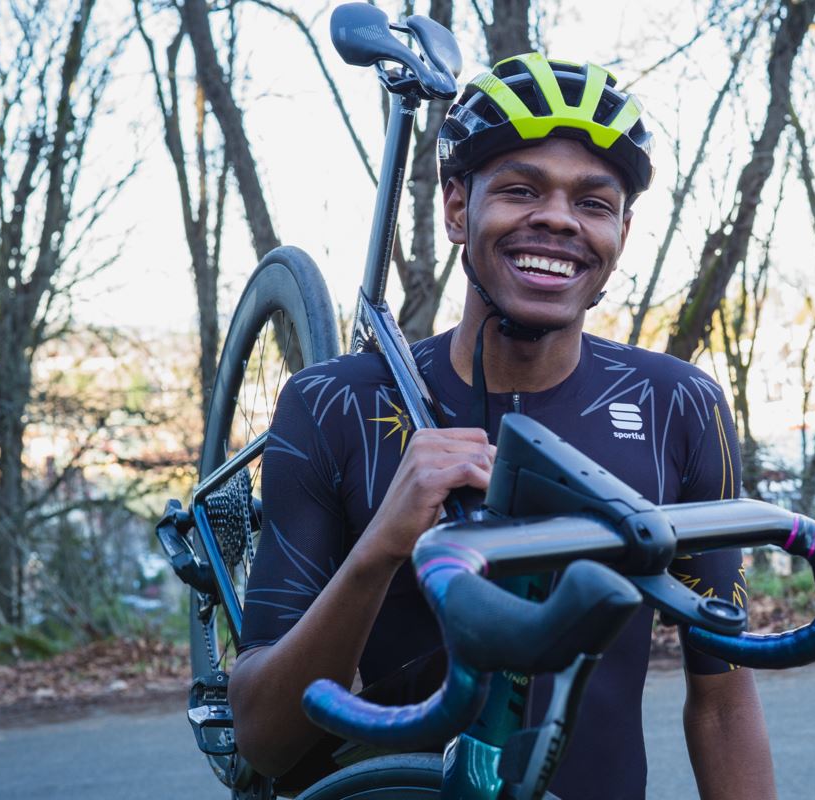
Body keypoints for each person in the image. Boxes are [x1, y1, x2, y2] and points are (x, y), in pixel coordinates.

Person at [229, 53, 776, 800]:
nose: (557, 218)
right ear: (457, 208)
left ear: (620, 231)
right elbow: (263, 736)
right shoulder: (334, 402)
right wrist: (380, 547)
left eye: (593, 202)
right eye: (521, 190)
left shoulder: (678, 406)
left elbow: (721, 701)